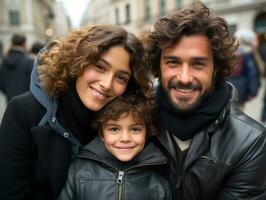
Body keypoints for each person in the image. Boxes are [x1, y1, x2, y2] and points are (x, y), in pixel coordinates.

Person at [0, 25, 151, 200]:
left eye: (121, 77)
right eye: (100, 67)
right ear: (78, 62)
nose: (107, 84)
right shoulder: (24, 112)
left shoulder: (127, 125)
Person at [145, 2, 266, 199]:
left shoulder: (250, 142)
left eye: (198, 64)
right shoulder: (132, 121)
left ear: (216, 68)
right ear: (158, 66)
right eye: (173, 62)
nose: (184, 77)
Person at [57, 94, 172, 200]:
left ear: (146, 133)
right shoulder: (79, 172)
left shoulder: (159, 183)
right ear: (102, 134)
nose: (125, 138)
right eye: (114, 129)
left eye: (135, 129)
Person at [227, 29, 261, 110]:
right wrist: (253, 92)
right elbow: (252, 73)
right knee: (239, 114)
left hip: (230, 87)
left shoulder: (232, 51)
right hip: (240, 90)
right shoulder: (247, 52)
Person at [0, 33, 28, 101]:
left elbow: (1, 82)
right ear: (24, 44)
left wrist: (8, 92)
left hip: (10, 99)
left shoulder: (4, 61)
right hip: (25, 99)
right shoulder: (28, 61)